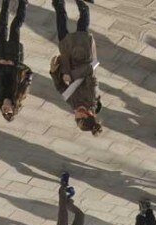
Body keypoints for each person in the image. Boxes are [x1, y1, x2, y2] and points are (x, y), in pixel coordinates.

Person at [50, 0, 102, 135]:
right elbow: (89, 74)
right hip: (83, 57)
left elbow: (61, 88)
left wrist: (54, 72)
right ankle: (82, 3)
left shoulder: (74, 105)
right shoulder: (92, 98)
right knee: (83, 21)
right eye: (80, 117)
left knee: (61, 28)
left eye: (76, 118)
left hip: (68, 61)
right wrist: (72, 76)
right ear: (89, 115)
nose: (76, 114)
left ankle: (58, 3)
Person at [0, 0, 32, 121]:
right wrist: (14, 64)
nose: (5, 112)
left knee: (1, 26)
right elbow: (28, 73)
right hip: (13, 56)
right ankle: (23, 4)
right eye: (9, 113)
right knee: (15, 26)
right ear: (13, 108)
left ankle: (5, 3)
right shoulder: (19, 93)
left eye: (3, 113)